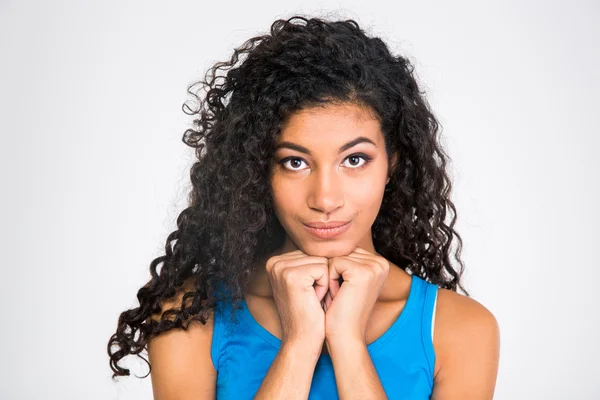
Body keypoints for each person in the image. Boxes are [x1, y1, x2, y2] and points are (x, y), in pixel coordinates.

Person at [107, 15, 500, 399]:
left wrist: (347, 343)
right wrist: (299, 343)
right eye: (295, 162)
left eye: (355, 159)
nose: (325, 200)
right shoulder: (190, 316)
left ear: (391, 165)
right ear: (259, 170)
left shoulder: (458, 329)